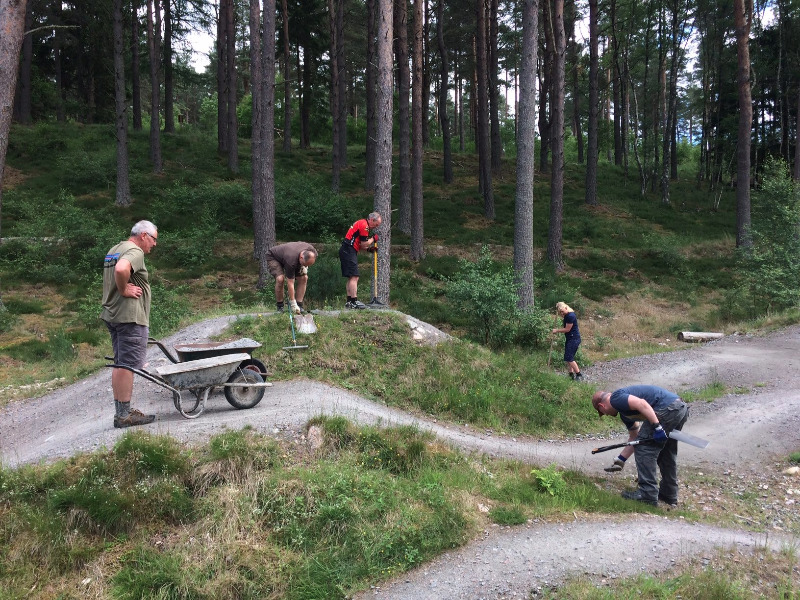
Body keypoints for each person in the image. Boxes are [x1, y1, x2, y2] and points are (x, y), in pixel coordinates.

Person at [101, 221, 159, 428]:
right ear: (143, 235)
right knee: (127, 366)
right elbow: (121, 269)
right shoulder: (134, 251)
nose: (154, 245)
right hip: (129, 316)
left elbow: (117, 267)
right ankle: (124, 415)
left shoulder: (114, 249)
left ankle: (121, 411)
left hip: (113, 314)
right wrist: (124, 289)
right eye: (153, 240)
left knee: (120, 363)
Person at [592, 385, 689, 506]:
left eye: (603, 413)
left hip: (668, 408)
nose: (605, 414)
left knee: (645, 449)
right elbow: (635, 438)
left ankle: (647, 494)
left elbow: (642, 404)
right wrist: (621, 459)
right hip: (679, 408)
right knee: (665, 452)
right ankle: (669, 494)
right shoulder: (624, 413)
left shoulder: (615, 398)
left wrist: (657, 427)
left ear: (602, 406)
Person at [339, 211, 382, 309]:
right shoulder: (365, 226)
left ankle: (349, 301)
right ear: (371, 220)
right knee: (354, 276)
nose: (376, 227)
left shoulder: (361, 222)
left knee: (351, 277)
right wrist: (373, 239)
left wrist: (369, 249)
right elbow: (364, 243)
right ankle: (354, 302)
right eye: (376, 224)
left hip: (347, 249)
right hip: (348, 250)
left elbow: (359, 243)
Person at [265, 242, 318, 314]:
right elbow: (290, 283)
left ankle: (299, 305)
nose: (305, 266)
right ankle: (280, 307)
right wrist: (293, 303)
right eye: (304, 264)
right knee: (280, 279)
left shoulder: (313, 252)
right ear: (301, 257)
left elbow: (307, 261)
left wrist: (304, 266)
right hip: (274, 257)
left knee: (304, 278)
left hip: (290, 256)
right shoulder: (291, 260)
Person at [552, 301, 583, 381]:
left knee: (569, 357)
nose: (561, 313)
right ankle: (571, 374)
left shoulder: (571, 316)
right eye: (560, 312)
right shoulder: (567, 315)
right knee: (569, 357)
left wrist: (557, 330)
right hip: (570, 338)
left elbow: (567, 329)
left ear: (566, 308)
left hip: (574, 339)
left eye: (562, 311)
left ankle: (579, 375)